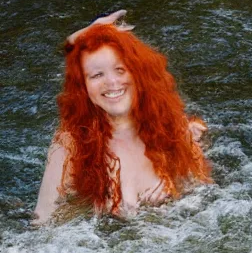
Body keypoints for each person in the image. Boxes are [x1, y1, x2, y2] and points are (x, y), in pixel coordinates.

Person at [35, 12, 210, 223]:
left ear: (139, 73)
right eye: (97, 75)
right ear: (83, 88)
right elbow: (42, 224)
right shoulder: (71, 144)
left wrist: (174, 193)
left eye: (120, 70)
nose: (111, 82)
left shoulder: (171, 127)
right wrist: (91, 209)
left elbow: (208, 196)